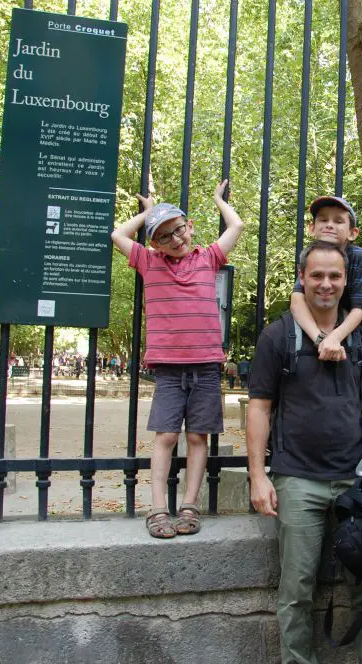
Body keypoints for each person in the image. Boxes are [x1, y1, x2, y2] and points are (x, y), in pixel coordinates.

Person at [247, 241, 362, 664]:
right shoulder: (277, 337)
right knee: (297, 588)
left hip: (355, 476)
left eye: (334, 276)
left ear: (346, 281)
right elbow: (259, 408)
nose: (326, 284)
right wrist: (258, 475)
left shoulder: (361, 336)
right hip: (298, 479)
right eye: (317, 276)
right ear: (302, 278)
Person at [111, 179, 245, 539]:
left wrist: (218, 199)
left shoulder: (208, 257)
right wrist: (146, 213)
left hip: (205, 366)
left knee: (198, 438)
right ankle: (158, 508)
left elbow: (237, 226)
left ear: (190, 227)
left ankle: (189, 505)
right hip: (169, 369)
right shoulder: (148, 262)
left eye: (179, 229)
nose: (176, 239)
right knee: (166, 436)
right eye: (165, 235)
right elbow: (118, 235)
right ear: (154, 242)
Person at [289, 196, 362, 403]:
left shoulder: (358, 256)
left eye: (338, 221)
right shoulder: (311, 256)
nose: (329, 225)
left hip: (359, 336)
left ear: (352, 233)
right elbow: (297, 300)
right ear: (312, 228)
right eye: (323, 220)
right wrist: (321, 339)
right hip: (323, 335)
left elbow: (361, 307)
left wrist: (334, 337)